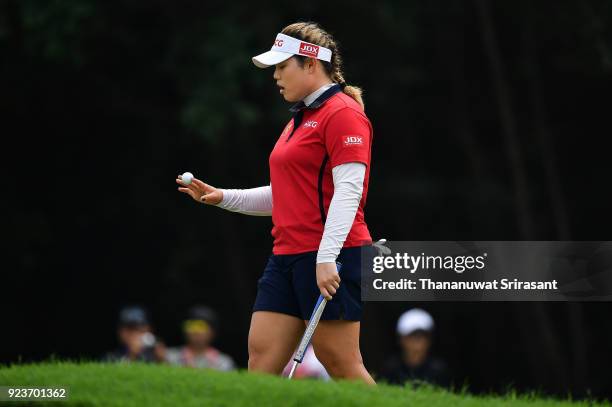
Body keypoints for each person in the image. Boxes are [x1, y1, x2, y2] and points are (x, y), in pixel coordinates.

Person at [176, 21, 376, 383]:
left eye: (283, 67)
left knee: (341, 363)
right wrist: (222, 197)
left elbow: (349, 191)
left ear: (311, 64)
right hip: (285, 256)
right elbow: (285, 194)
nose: (276, 76)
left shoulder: (343, 113)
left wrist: (327, 257)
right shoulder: (299, 119)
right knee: (262, 359)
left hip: (332, 254)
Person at [379, 309, 451, 387]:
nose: (417, 342)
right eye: (412, 336)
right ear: (401, 339)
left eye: (422, 336)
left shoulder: (439, 370)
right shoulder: (390, 368)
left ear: (429, 340)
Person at [164, 306, 235, 371]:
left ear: (212, 332)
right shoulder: (169, 356)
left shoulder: (224, 362)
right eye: (191, 326)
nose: (196, 331)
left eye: (201, 326)